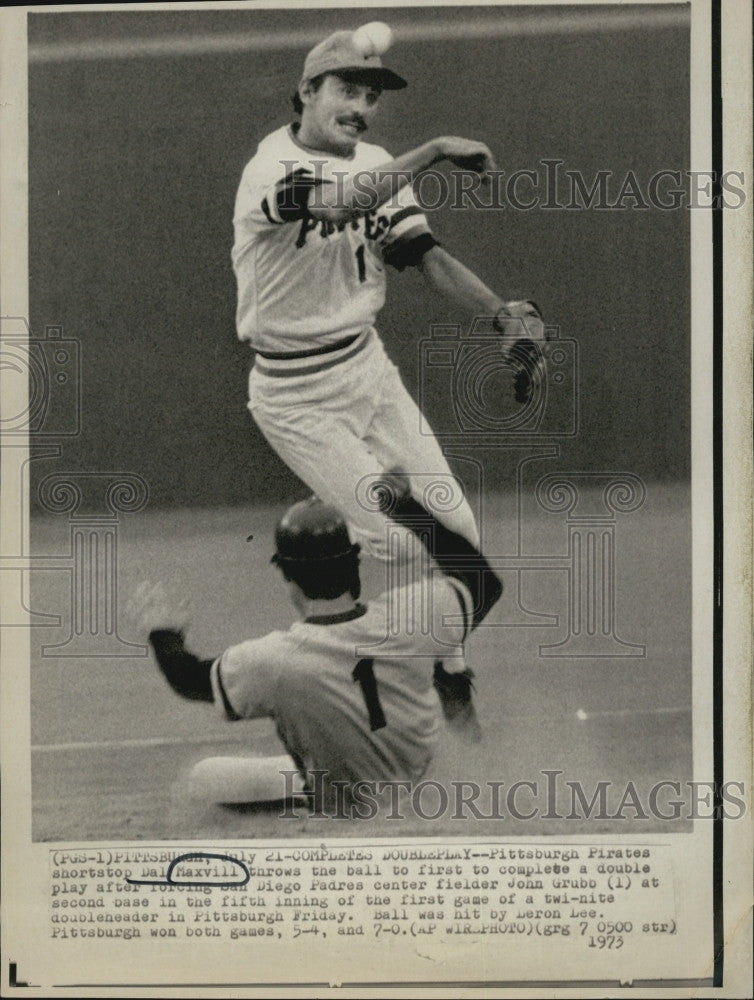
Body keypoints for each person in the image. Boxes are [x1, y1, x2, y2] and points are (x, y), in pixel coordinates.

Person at [232, 22, 545, 563]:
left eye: (371, 96)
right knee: (401, 542)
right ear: (308, 91)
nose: (361, 107)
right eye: (346, 90)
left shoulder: (377, 162)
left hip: (367, 371)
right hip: (296, 398)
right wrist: (436, 149)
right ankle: (336, 590)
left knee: (458, 531)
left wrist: (500, 314)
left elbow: (425, 256)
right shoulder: (269, 168)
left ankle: (442, 650)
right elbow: (336, 204)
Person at [130, 472, 502, 812]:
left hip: (346, 804)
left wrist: (163, 632)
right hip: (429, 790)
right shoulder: (417, 612)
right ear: (355, 563)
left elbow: (188, 679)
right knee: (438, 669)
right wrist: (406, 510)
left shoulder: (271, 660)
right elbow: (481, 580)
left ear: (288, 577)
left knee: (205, 778)